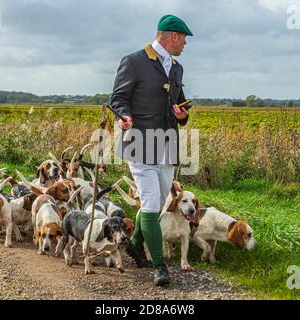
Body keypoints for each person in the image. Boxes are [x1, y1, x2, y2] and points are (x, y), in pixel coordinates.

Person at [110, 14, 193, 286]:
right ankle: (159, 267)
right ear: (173, 36)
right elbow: (118, 99)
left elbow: (180, 105)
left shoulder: (177, 68)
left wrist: (182, 115)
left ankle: (134, 245)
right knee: (150, 201)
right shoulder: (133, 61)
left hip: (167, 144)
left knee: (156, 204)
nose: (185, 45)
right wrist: (124, 116)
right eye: (184, 40)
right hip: (140, 142)